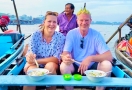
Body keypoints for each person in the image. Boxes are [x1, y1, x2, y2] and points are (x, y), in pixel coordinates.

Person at [60, 7, 113, 90]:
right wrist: (66, 57)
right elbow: (65, 53)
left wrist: (90, 58)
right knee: (63, 66)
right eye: (81, 20)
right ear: (77, 21)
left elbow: (109, 56)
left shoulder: (96, 35)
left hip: (92, 66)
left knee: (107, 64)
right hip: (75, 65)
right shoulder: (71, 33)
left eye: (86, 20)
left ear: (90, 21)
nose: (84, 23)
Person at [23, 11, 65, 90]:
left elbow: (56, 59)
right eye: (49, 21)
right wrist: (29, 58)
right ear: (44, 22)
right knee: (32, 72)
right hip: (34, 64)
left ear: (57, 24)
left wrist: (36, 61)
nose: (52, 24)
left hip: (50, 63)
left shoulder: (60, 37)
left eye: (54, 22)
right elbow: (31, 53)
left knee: (50, 67)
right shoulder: (35, 35)